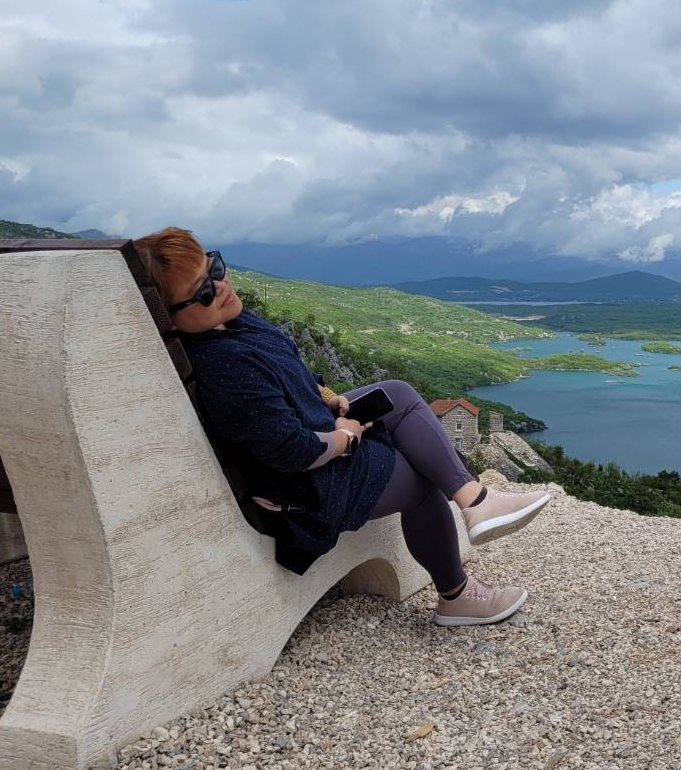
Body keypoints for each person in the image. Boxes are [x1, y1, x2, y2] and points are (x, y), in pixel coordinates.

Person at [134, 227, 549, 626]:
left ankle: (476, 499)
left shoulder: (234, 324)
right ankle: (457, 596)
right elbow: (292, 452)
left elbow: (292, 372)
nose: (220, 288)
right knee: (422, 483)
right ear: (171, 317)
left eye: (216, 269)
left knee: (398, 394)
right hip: (309, 488)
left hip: (319, 437)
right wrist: (346, 435)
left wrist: (329, 396)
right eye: (202, 292)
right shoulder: (225, 368)